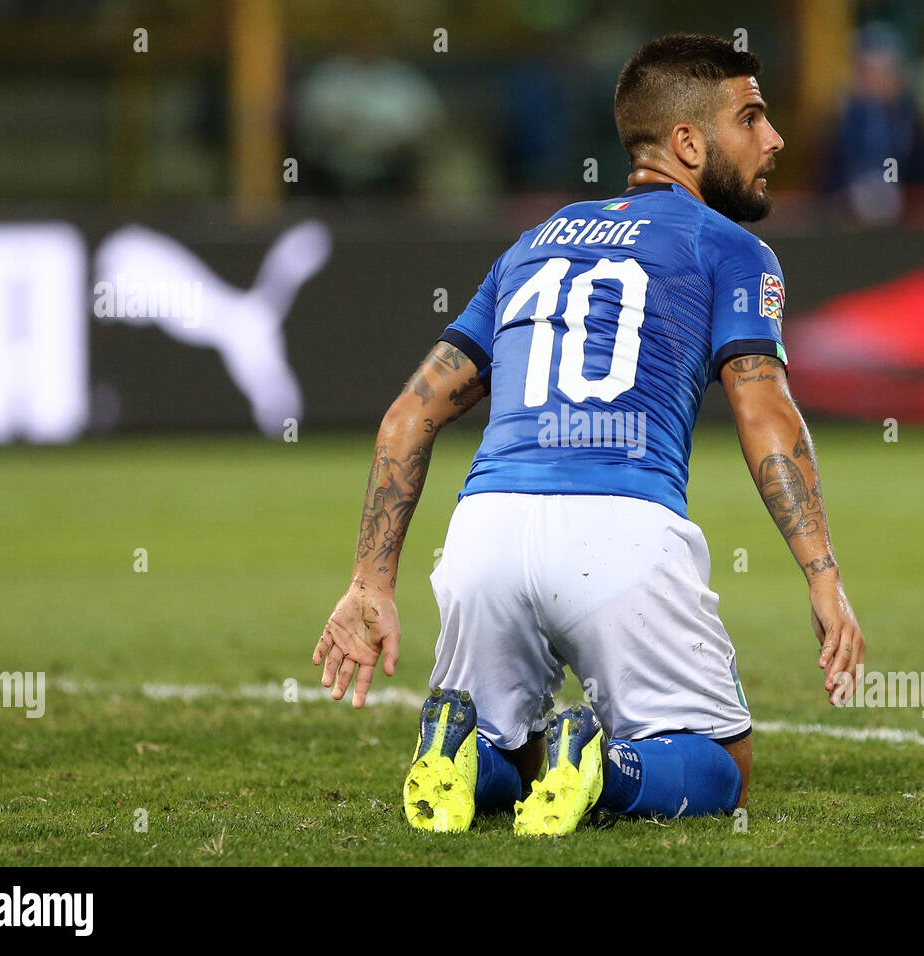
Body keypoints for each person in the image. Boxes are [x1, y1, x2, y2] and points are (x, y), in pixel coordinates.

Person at [311, 33, 865, 836]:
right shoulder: (734, 249)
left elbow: (409, 415)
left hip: (485, 537)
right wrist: (821, 570)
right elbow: (764, 410)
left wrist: (370, 581)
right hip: (621, 533)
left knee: (512, 745)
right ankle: (607, 765)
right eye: (752, 118)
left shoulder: (532, 244)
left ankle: (459, 745)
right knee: (722, 769)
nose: (774, 140)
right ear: (686, 142)